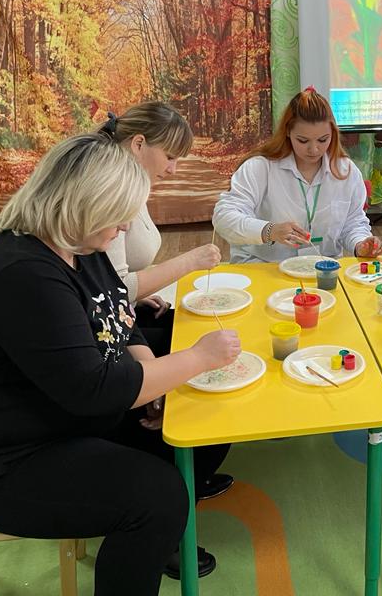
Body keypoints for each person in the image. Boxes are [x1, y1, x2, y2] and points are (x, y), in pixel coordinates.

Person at [0, 133, 241, 595]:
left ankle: (159, 538)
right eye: (118, 216)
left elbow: (120, 318)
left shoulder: (81, 249)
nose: (124, 227)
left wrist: (152, 379)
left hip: (59, 417)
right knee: (157, 497)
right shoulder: (23, 275)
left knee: (201, 427)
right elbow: (96, 390)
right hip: (3, 461)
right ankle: (153, 534)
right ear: (82, 207)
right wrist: (196, 357)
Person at [98, 103, 233, 504]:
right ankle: (177, 481)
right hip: (104, 352)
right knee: (204, 374)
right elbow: (112, 293)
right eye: (170, 157)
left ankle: (186, 471)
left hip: (116, 322)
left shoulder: (129, 186)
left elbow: (113, 296)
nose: (173, 169)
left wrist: (135, 299)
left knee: (186, 333)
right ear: (138, 144)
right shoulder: (110, 194)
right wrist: (156, 377)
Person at [213, 87, 382, 263]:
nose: (314, 149)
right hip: (264, 265)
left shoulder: (346, 171)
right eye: (303, 141)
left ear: (333, 133)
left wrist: (360, 244)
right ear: (288, 132)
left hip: (322, 268)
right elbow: (224, 217)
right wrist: (269, 231)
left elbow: (353, 223)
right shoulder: (259, 168)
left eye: (323, 140)